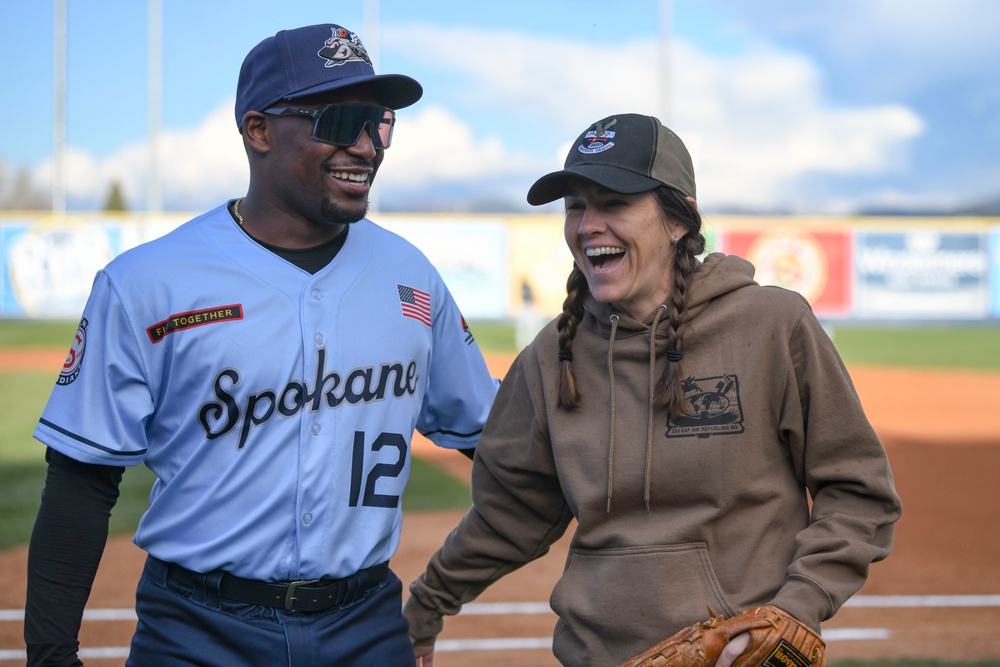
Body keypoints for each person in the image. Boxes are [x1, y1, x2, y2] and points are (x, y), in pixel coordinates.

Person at [24, 23, 498, 666]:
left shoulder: (412, 277)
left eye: (379, 123)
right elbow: (82, 478)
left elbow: (493, 435)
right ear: (259, 130)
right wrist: (51, 653)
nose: (367, 146)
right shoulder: (148, 282)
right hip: (195, 631)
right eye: (341, 120)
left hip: (366, 626)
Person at [403, 113, 903, 666]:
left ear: (677, 221)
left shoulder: (771, 326)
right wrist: (423, 609)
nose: (588, 224)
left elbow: (858, 492)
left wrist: (797, 606)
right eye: (575, 206)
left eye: (614, 202)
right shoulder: (550, 358)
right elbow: (509, 516)